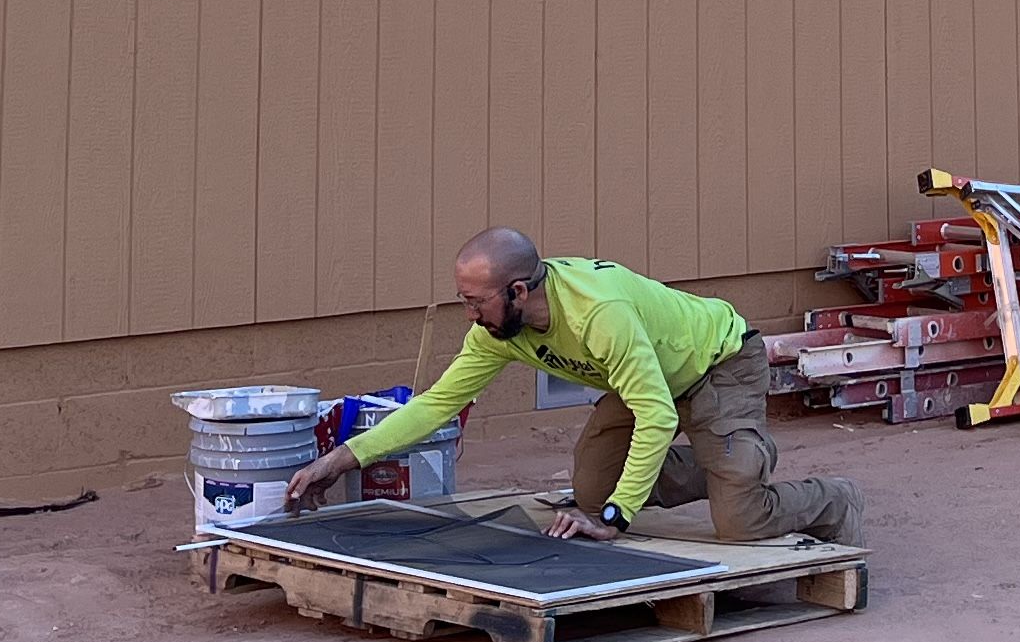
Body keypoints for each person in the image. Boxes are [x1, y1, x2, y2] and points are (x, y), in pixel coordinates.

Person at [286, 226, 859, 546]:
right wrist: (340, 460)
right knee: (591, 489)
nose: (468, 315)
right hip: (644, 380)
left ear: (515, 291)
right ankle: (728, 463)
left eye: (473, 301)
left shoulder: (596, 313)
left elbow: (655, 414)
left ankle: (824, 495)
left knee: (739, 524)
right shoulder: (497, 332)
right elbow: (440, 403)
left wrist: (615, 521)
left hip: (717, 364)